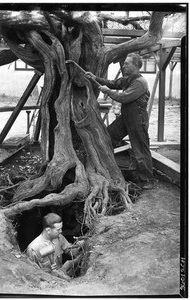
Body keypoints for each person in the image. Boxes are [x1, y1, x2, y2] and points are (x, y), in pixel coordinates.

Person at [85, 53, 156, 190]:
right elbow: (113, 83)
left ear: (135, 66)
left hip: (137, 120)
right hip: (126, 117)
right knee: (107, 136)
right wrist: (95, 78)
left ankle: (148, 180)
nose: (124, 65)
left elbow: (124, 97)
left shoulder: (140, 82)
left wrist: (108, 92)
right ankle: (104, 167)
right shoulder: (128, 79)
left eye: (127, 63)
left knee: (140, 150)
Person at [26, 213, 84, 280]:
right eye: (58, 229)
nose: (61, 231)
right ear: (48, 230)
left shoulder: (58, 237)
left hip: (63, 276)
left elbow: (71, 251)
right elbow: (32, 273)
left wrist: (79, 245)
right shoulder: (34, 248)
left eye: (61, 229)